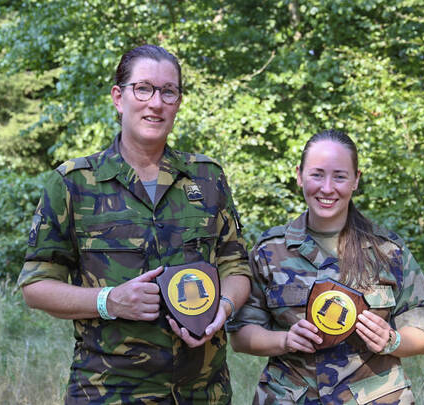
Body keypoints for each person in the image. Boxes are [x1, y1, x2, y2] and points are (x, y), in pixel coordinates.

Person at [17, 44, 251, 404]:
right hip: (109, 391)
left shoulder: (207, 178)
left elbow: (235, 266)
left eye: (168, 92)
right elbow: (36, 286)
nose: (156, 103)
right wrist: (109, 301)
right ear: (118, 97)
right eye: (143, 89)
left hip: (203, 392)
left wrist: (224, 306)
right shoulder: (73, 183)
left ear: (178, 102)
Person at [227, 129, 424, 404]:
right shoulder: (270, 251)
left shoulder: (388, 251)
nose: (327, 188)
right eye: (317, 174)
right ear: (299, 175)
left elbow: (422, 332)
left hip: (375, 397)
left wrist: (391, 340)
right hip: (290, 397)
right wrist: (285, 340)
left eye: (339, 176)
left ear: (356, 180)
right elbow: (241, 335)